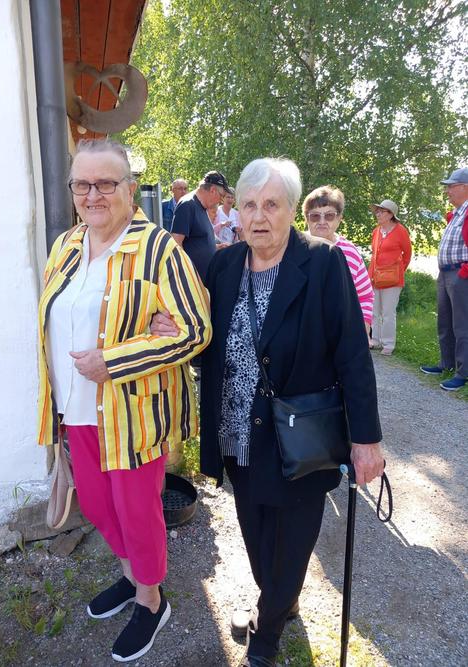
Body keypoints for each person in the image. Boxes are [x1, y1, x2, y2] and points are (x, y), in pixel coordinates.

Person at [154, 157, 384, 667]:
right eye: (250, 205)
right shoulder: (224, 265)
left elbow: (352, 352)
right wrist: (180, 333)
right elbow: (211, 343)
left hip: (299, 436)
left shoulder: (322, 263)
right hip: (237, 432)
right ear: (236, 210)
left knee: (293, 540)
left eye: (272, 205)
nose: (259, 216)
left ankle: (267, 631)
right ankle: (281, 599)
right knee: (256, 535)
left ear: (291, 211)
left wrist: (366, 439)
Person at [37, 139, 211, 663]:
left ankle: (152, 601)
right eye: (82, 184)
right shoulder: (66, 245)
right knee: (96, 506)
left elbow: (195, 328)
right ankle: (133, 576)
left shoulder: (158, 250)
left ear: (130, 189)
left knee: (137, 514)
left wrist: (114, 360)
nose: (93, 194)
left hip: (132, 415)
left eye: (106, 183)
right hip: (75, 410)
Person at [303, 185, 374, 340]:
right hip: (300, 334)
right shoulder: (294, 248)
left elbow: (365, 296)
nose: (322, 221)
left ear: (339, 218)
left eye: (329, 216)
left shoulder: (350, 252)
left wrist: (362, 331)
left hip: (339, 333)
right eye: (315, 216)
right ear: (306, 218)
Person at [420, 167, 468, 391]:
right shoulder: (457, 213)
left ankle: (463, 372)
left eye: (451, 186)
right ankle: (447, 363)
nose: (447, 191)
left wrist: (464, 272)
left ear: (465, 187)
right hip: (446, 273)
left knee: (462, 325)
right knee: (445, 322)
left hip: (461, 275)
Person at [368, 199, 412, 355]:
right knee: (374, 311)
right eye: (377, 211)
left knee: (388, 313)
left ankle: (388, 344)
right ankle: (375, 340)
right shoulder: (376, 231)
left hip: (393, 280)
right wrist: (370, 275)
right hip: (375, 277)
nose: (377, 214)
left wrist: (398, 271)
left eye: (381, 211)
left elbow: (407, 254)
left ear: (390, 214)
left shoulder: (401, 231)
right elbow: (374, 255)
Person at [170, 170, 233, 280]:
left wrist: (215, 247)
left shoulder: (202, 207)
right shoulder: (187, 205)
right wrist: (190, 277)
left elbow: (195, 242)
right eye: (222, 196)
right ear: (213, 190)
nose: (221, 201)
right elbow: (175, 244)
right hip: (193, 282)